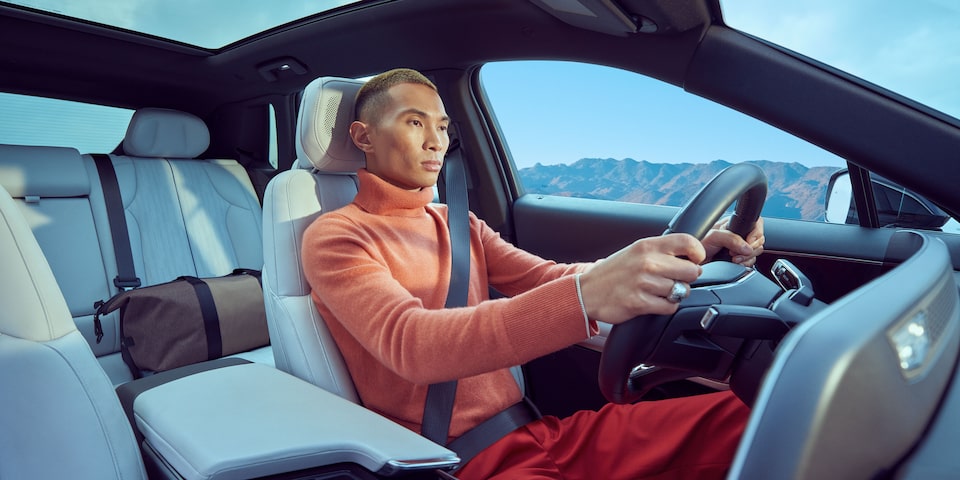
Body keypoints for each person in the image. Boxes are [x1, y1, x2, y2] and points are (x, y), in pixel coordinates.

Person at [302, 68, 766, 479]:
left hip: (545, 433)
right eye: (414, 122)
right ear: (363, 138)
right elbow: (412, 345)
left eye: (442, 126)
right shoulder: (336, 236)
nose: (435, 141)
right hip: (467, 462)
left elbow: (547, 278)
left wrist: (688, 257)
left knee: (774, 413)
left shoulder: (457, 223)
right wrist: (585, 296)